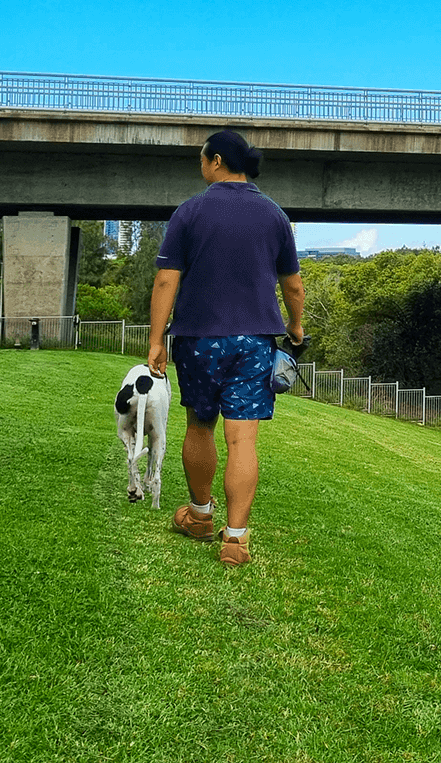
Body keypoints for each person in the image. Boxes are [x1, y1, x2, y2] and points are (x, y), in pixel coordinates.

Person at [146, 129, 305, 566]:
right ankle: (235, 539)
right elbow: (292, 285)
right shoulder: (274, 215)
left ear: (216, 161)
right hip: (254, 340)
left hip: (197, 339)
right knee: (243, 439)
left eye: (202, 160)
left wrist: (156, 339)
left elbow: (166, 279)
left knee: (200, 426)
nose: (201, 167)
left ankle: (199, 516)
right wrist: (295, 327)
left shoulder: (189, 212)